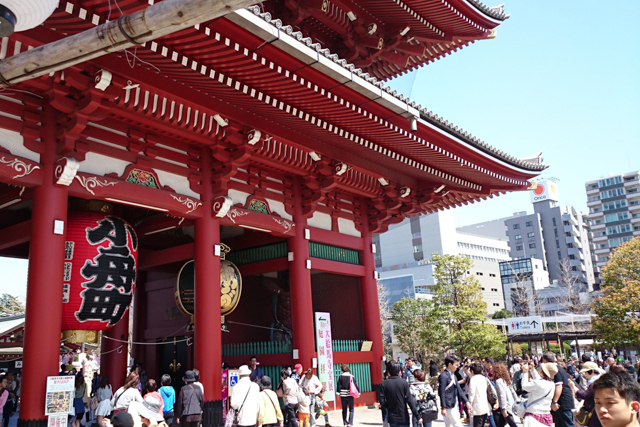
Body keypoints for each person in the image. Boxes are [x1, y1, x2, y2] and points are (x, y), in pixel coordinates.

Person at [380, 360, 421, 427]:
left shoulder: (384, 383)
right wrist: (417, 415)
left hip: (392, 416)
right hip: (403, 416)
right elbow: (410, 400)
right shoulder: (404, 383)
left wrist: (388, 405)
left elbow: (381, 400)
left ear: (388, 371)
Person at [541, 351, 574, 427]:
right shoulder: (560, 368)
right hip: (563, 401)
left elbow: (559, 386)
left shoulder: (555, 370)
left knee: (567, 424)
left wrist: (554, 402)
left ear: (545, 360)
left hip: (562, 402)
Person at [520, 361, 555, 427]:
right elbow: (539, 380)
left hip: (534, 415)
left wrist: (525, 372)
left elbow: (524, 386)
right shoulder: (551, 384)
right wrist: (532, 369)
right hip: (546, 414)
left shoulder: (539, 383)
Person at [438, 356, 471, 427]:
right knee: (457, 424)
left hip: (455, 403)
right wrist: (443, 407)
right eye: (456, 365)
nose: (457, 367)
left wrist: (466, 401)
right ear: (450, 364)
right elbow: (442, 392)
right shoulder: (443, 376)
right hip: (448, 404)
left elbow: (459, 390)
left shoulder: (453, 375)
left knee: (449, 424)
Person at [575, 362, 605, 427]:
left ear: (592, 371)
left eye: (586, 372)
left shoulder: (595, 383)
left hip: (594, 413)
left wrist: (574, 389)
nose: (585, 374)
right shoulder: (598, 381)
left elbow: (585, 395)